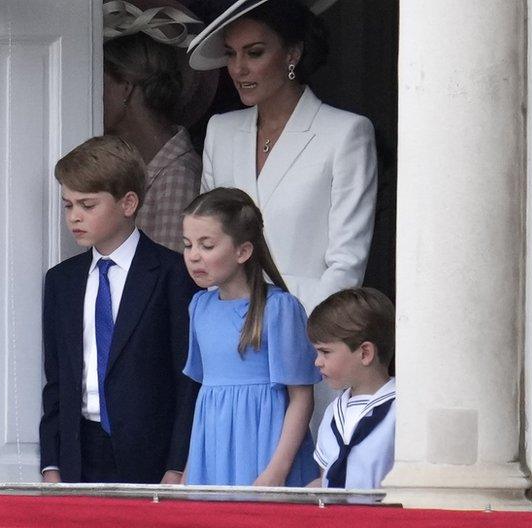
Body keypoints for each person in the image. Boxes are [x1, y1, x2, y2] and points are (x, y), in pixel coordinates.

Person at [187, 0, 377, 315]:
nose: (238, 68)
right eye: (231, 53)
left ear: (292, 54)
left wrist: (291, 324)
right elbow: (205, 238)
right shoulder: (220, 131)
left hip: (307, 329)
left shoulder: (345, 133)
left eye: (254, 52)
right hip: (227, 327)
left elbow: (346, 265)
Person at [38, 135, 200, 484]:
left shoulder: (172, 274)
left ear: (128, 203)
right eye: (68, 205)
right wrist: (51, 463)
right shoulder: (61, 282)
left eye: (88, 205)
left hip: (150, 454)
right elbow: (57, 378)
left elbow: (186, 379)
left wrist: (177, 464)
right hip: (79, 450)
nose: (74, 217)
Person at [181, 187, 319, 486]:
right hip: (214, 452)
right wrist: (191, 471)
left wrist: (277, 470)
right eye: (188, 244)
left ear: (243, 251)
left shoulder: (279, 308)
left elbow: (301, 397)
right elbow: (206, 397)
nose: (193, 256)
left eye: (207, 245)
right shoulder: (199, 307)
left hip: (265, 449)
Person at [102, 0, 216, 252]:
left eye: (101, 81)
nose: (92, 93)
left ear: (125, 88)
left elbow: (166, 282)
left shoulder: (177, 178)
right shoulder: (144, 168)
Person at [306, 287, 396, 489]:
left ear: (365, 353)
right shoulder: (332, 413)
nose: (317, 362)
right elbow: (326, 477)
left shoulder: (400, 412)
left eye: (325, 352)